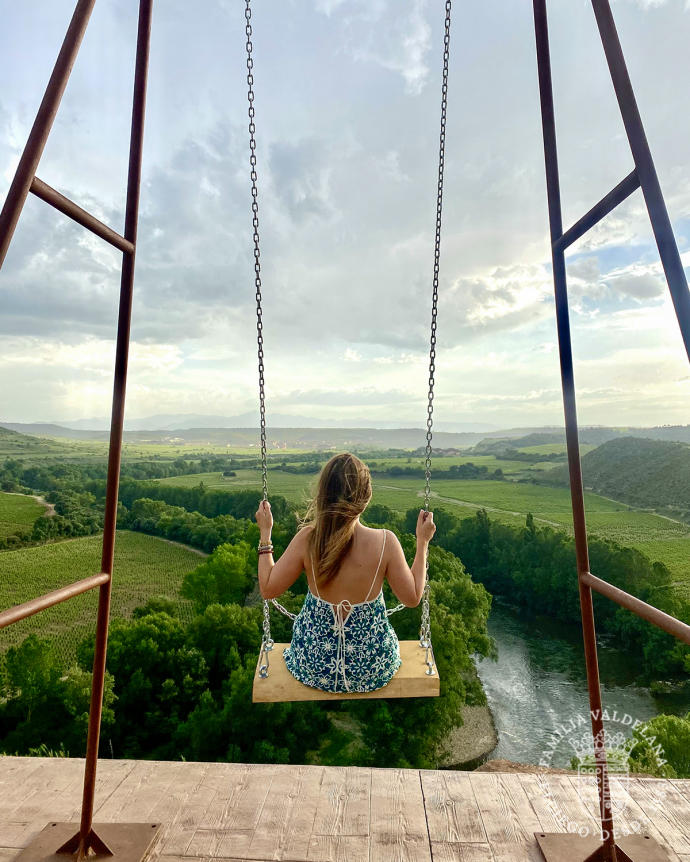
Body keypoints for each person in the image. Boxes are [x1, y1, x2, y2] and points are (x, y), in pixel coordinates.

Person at [255, 452, 436, 694]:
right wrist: (422, 542)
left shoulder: (308, 540)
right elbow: (412, 598)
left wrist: (266, 534)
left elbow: (268, 589)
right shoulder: (385, 543)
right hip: (372, 667)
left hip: (313, 665)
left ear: (323, 494)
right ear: (367, 496)